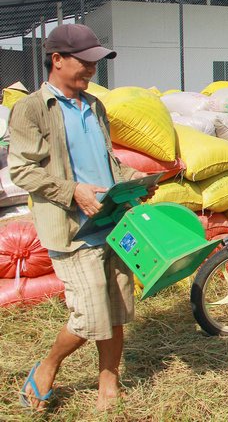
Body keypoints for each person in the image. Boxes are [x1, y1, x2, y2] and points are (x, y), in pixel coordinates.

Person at [8, 23, 154, 411]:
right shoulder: (33, 108)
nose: (92, 70)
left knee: (117, 310)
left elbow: (107, 163)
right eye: (84, 62)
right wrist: (72, 190)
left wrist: (134, 180)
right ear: (56, 60)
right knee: (90, 316)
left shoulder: (95, 106)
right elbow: (22, 170)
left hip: (114, 224)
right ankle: (48, 366)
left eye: (95, 63)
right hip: (73, 230)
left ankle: (109, 383)